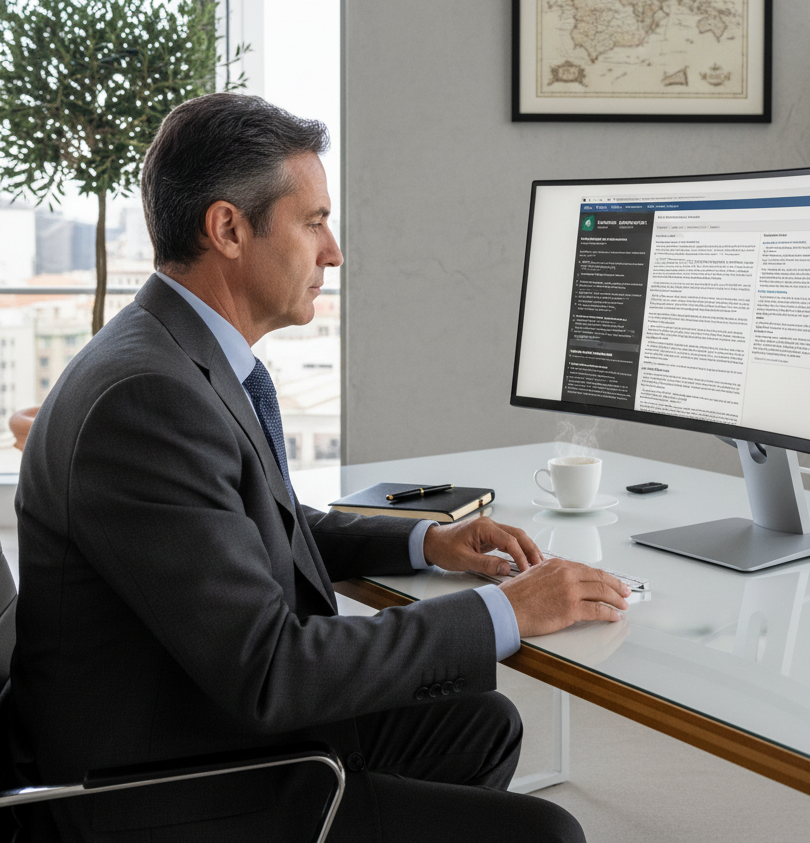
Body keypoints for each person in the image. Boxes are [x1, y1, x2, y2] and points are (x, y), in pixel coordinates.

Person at [9, 93, 630, 843]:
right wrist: (510, 611)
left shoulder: (172, 354)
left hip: (195, 714)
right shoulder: (148, 398)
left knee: (480, 723)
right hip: (161, 785)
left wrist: (422, 543)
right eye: (313, 222)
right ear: (229, 229)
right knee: (547, 834)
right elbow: (271, 669)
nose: (333, 251)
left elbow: (252, 522)